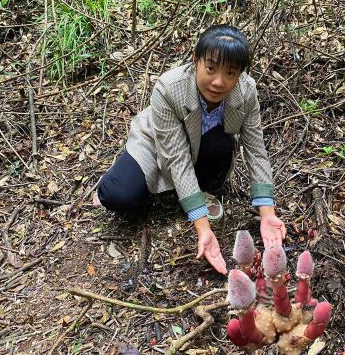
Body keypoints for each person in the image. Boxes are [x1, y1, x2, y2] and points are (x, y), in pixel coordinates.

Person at [93, 25, 286, 275]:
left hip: (202, 148)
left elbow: (256, 150)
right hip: (155, 144)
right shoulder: (169, 88)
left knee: (221, 145)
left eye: (230, 73)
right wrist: (203, 228)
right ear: (195, 60)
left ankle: (188, 194)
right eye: (211, 68)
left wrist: (267, 213)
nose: (219, 81)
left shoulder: (246, 92)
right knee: (117, 195)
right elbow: (176, 157)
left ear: (240, 74)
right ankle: (161, 187)